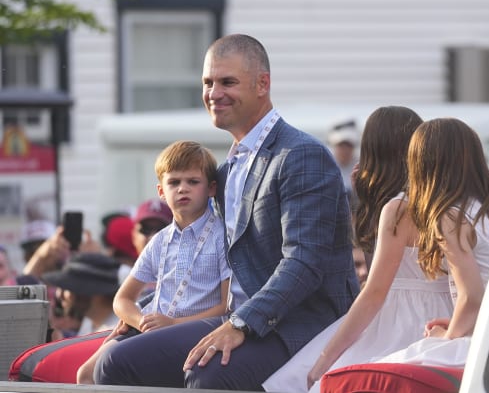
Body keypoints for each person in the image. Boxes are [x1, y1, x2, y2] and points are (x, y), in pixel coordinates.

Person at [94, 33, 359, 390]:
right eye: (208, 82)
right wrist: (144, 312)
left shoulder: (301, 155)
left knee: (208, 373)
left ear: (262, 83)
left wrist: (239, 324)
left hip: (299, 320)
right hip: (232, 316)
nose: (214, 93)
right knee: (114, 360)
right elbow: (195, 246)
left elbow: (304, 263)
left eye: (227, 82)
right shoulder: (227, 168)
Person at [263, 106, 454, 393]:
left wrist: (326, 358)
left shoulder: (396, 208)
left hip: (393, 318)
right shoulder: (444, 201)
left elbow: (374, 290)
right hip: (444, 314)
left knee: (313, 380)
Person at [76, 140, 232, 384]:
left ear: (211, 188)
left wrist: (172, 323)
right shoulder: (159, 240)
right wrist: (140, 321)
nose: (183, 189)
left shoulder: (222, 236)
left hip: (195, 328)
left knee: (113, 363)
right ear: (161, 191)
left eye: (193, 181)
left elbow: (226, 306)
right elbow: (123, 299)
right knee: (85, 374)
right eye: (174, 182)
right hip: (154, 327)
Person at [367, 117, 489, 373]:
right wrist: (457, 324)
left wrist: (447, 337)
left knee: (376, 375)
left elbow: (472, 296)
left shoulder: (449, 216)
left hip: (486, 340)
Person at [42, 252, 121, 337]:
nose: (59, 294)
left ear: (92, 291)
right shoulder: (91, 322)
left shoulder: (118, 333)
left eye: (68, 288)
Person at [327, 119, 359, 206]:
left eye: (349, 145)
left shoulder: (361, 166)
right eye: (341, 145)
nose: (345, 150)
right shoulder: (324, 165)